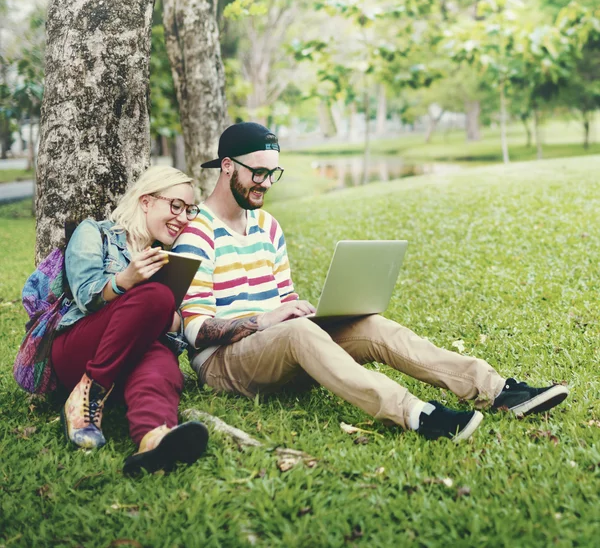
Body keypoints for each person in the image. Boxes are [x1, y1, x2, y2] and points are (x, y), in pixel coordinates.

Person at [173, 123, 568, 442]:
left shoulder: (268, 226)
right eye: (257, 172)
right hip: (224, 365)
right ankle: (414, 413)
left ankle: (497, 390)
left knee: (371, 326)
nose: (267, 183)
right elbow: (196, 333)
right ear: (227, 166)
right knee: (296, 333)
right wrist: (270, 320)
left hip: (281, 348)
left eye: (272, 173)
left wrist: (307, 312)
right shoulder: (197, 235)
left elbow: (284, 298)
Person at [50, 166, 208, 474]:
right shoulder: (94, 232)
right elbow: (85, 296)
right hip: (77, 350)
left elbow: (170, 330)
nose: (183, 217)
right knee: (157, 297)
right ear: (146, 201)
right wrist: (126, 279)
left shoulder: (166, 256)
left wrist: (171, 320)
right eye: (176, 205)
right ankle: (87, 392)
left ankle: (153, 437)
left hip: (128, 359)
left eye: (189, 210)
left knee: (160, 357)